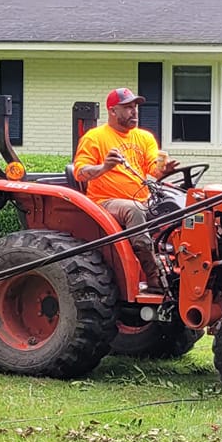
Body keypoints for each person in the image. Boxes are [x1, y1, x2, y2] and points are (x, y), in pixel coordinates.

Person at [74, 87, 181, 291]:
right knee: (134, 210)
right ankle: (154, 276)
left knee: (182, 205)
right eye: (128, 107)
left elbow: (152, 171)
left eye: (135, 107)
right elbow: (80, 171)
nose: (135, 112)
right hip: (105, 202)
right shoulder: (95, 137)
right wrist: (104, 167)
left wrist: (163, 169)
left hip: (142, 198)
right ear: (112, 111)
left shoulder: (144, 137)